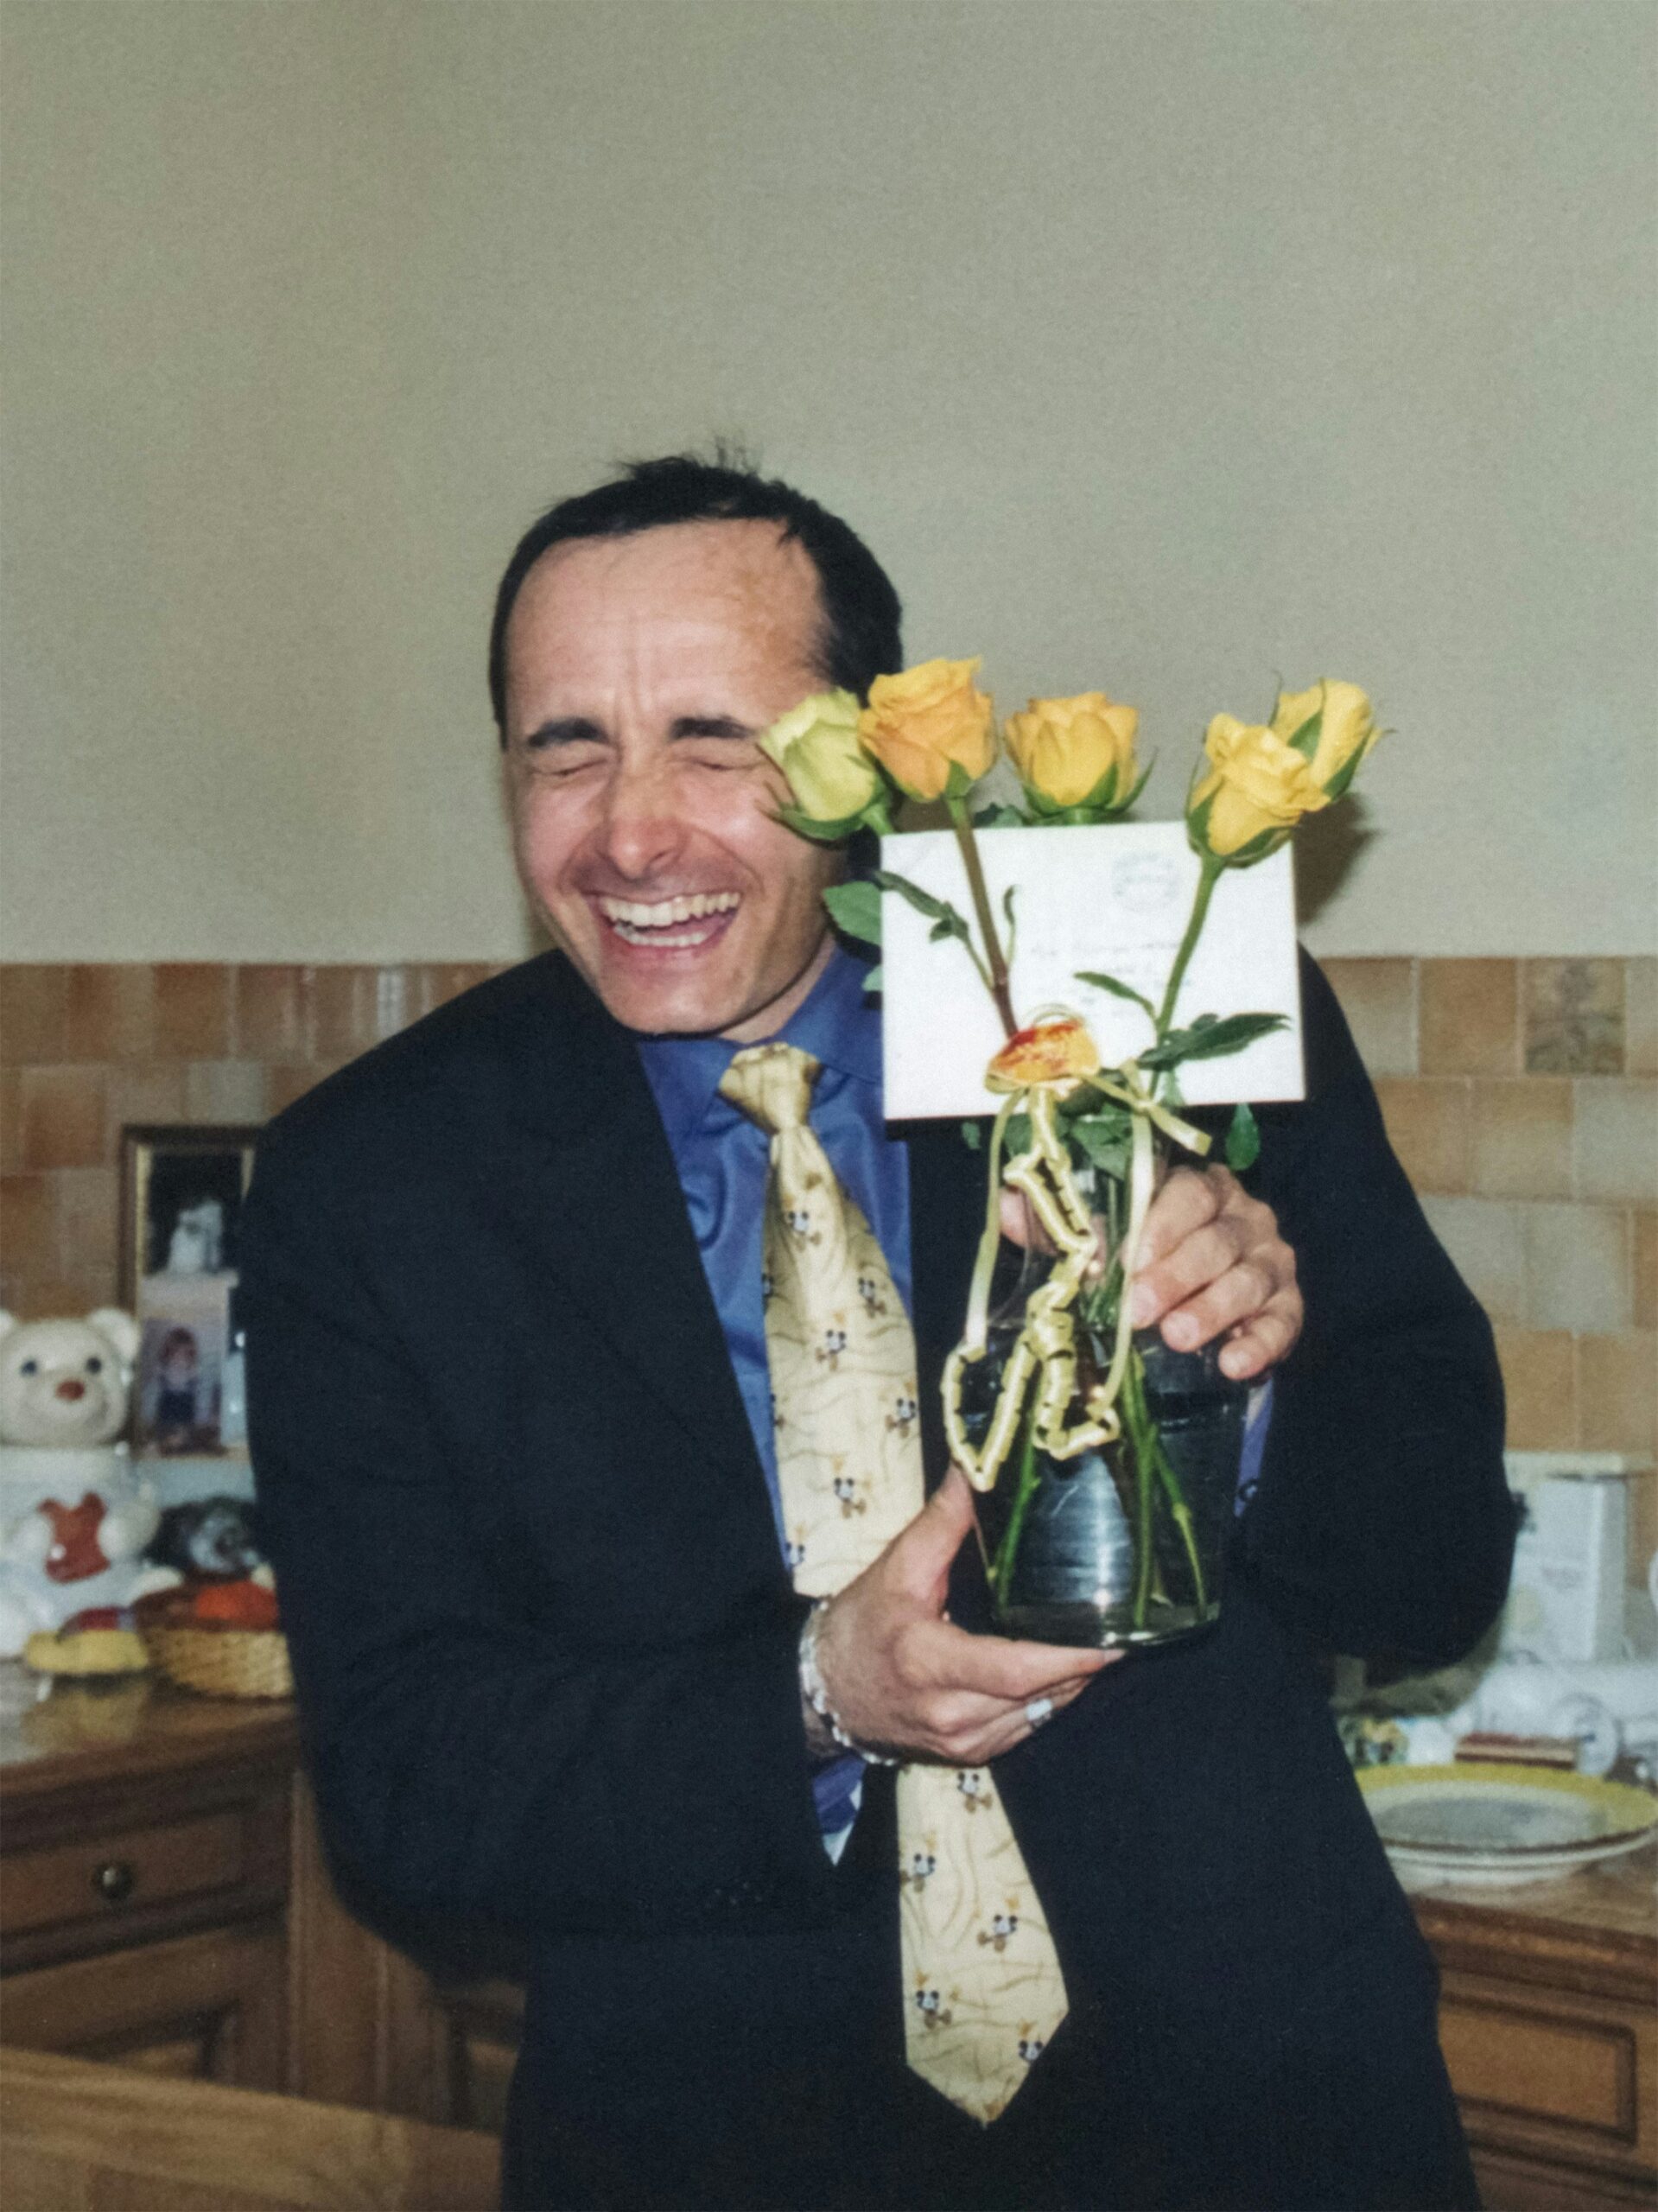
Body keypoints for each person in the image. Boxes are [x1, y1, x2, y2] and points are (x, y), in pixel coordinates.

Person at [242, 455, 1515, 2212]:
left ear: (867, 763)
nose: (632, 832)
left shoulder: (1138, 1006)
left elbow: (1433, 1568)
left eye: (715, 741)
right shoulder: (375, 1180)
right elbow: (410, 1786)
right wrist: (816, 1695)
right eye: (566, 748)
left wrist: (1245, 1366)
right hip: (717, 2147)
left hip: (1258, 2116)